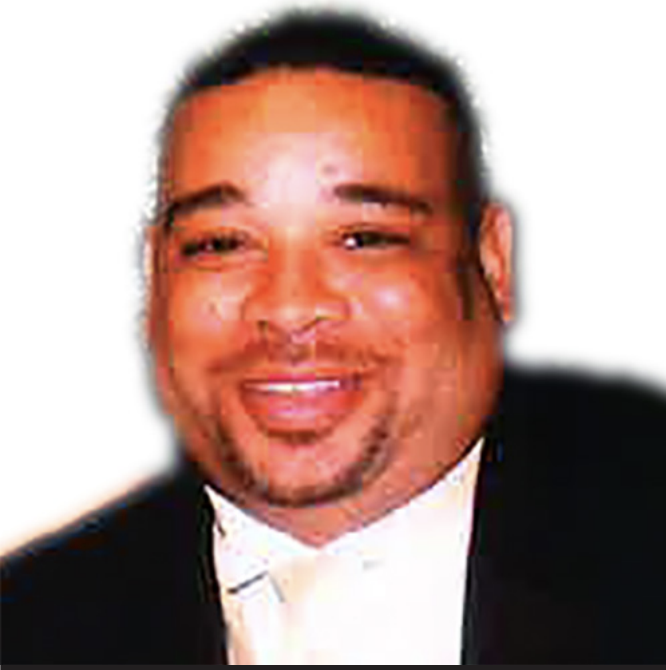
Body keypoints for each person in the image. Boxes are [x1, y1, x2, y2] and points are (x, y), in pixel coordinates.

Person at [1, 11, 664, 664]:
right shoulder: (29, 626)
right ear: (155, 279)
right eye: (222, 244)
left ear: (491, 264)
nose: (289, 308)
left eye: (364, 239)